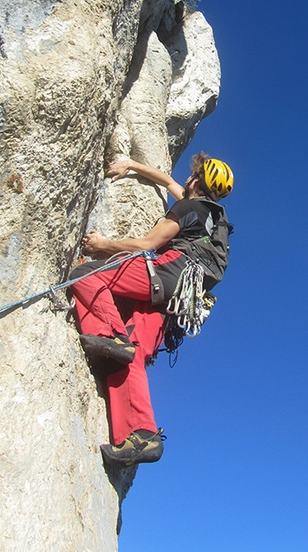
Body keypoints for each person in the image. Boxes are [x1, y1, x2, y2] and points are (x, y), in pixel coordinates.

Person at [69, 152, 234, 468]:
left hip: (171, 272)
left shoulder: (188, 207)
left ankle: (110, 333)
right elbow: (168, 181)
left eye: (191, 176)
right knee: (131, 354)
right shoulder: (214, 220)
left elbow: (147, 244)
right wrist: (131, 165)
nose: (185, 180)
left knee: (86, 275)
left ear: (196, 181)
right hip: (178, 301)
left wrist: (101, 244)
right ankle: (141, 434)